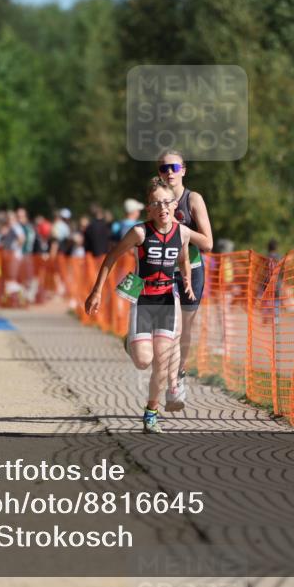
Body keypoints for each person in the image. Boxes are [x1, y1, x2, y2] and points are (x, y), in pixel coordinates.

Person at [84, 177, 209, 434]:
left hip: (167, 300)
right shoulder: (139, 233)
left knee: (161, 362)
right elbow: (111, 257)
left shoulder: (183, 232)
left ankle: (151, 413)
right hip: (143, 299)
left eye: (166, 202)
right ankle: (131, 342)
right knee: (143, 361)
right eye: (156, 203)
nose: (162, 207)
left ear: (174, 205)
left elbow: (184, 258)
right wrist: (96, 291)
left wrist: (186, 278)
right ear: (148, 209)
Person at [157, 150, 213, 412]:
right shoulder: (157, 199)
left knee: (184, 329)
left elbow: (208, 243)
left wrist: (182, 230)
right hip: (164, 272)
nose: (169, 172)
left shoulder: (193, 199)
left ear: (183, 170)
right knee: (171, 327)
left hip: (192, 271)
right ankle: (169, 380)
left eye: (174, 167)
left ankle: (178, 375)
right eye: (164, 168)